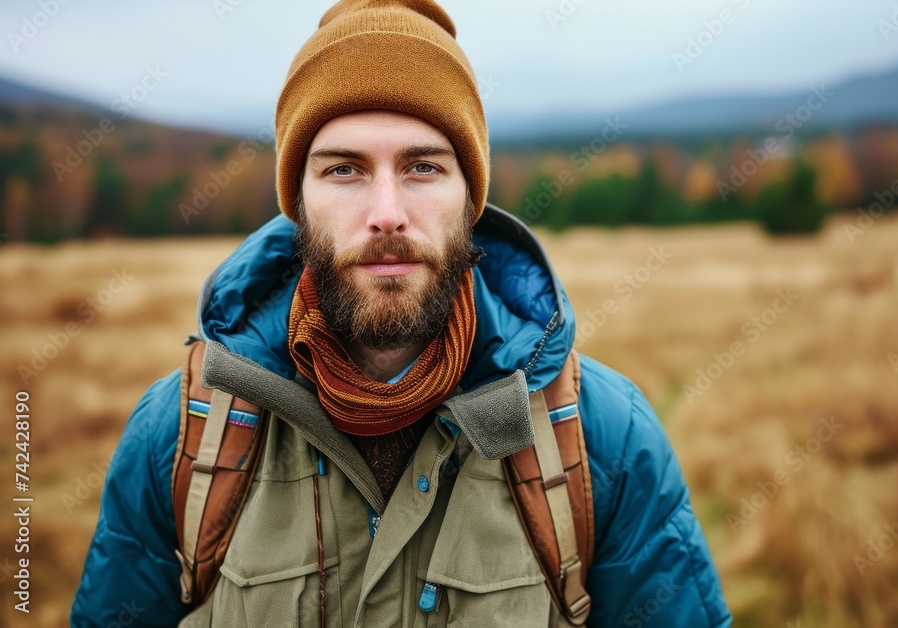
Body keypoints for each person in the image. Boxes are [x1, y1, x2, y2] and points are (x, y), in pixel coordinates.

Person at [70, 0, 731, 625]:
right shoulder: (180, 437)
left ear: (469, 197)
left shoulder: (601, 438)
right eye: (344, 171)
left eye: (422, 167)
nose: (387, 212)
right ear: (297, 201)